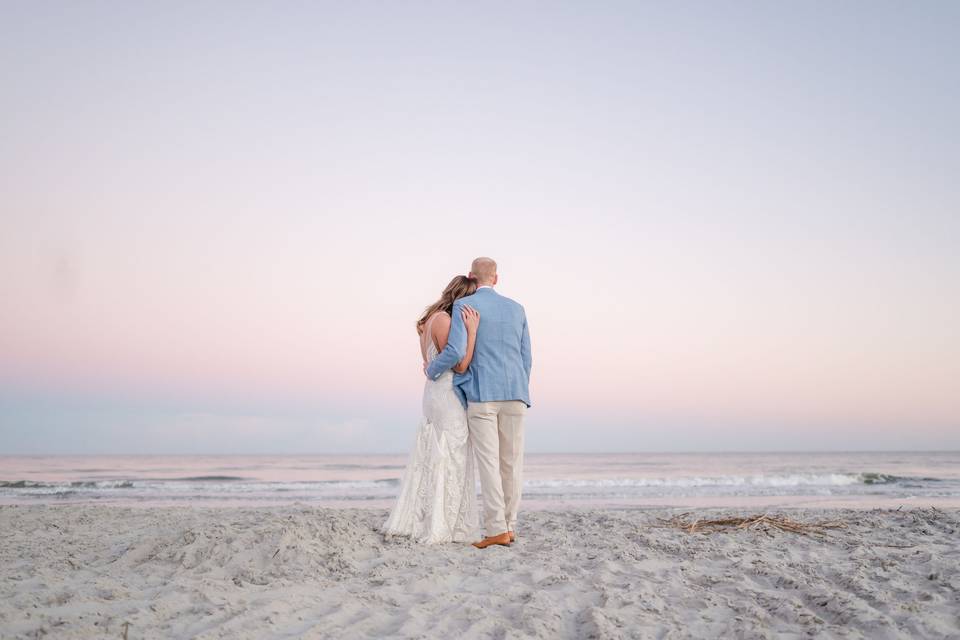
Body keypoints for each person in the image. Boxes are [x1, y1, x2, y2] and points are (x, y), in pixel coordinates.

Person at [425, 257, 532, 549]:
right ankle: (509, 527)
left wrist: (431, 369)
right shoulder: (517, 309)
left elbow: (456, 350)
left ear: (472, 276)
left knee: (489, 464)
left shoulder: (465, 306)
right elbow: (527, 358)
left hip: (482, 394)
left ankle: (497, 529)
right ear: (497, 278)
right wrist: (520, 386)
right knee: (512, 463)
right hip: (516, 394)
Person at [382, 275, 482, 543]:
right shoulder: (446, 321)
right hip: (446, 393)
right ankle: (443, 523)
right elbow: (460, 365)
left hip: (432, 394)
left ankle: (427, 517)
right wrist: (471, 333)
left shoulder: (429, 320)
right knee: (452, 452)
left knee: (434, 452)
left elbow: (431, 362)